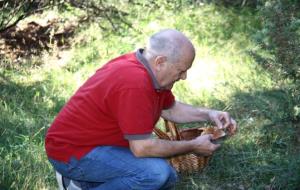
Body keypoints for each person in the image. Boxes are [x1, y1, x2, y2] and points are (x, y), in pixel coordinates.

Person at [45, 29, 237, 190]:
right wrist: (193, 145)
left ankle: (82, 183)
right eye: (181, 70)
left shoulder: (149, 71)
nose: (184, 76)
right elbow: (142, 148)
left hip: (96, 146)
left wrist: (209, 114)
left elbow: (170, 109)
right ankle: (76, 178)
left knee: (168, 178)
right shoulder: (135, 83)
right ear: (160, 62)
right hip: (72, 153)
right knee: (155, 174)